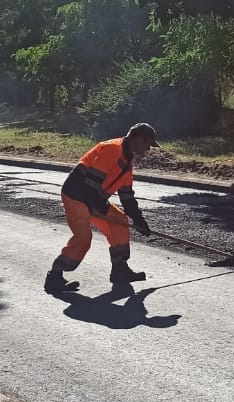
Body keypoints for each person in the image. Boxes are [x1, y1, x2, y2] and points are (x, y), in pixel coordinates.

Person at [46, 122, 158, 295]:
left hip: (93, 198)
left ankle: (119, 269)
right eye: (148, 144)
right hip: (76, 196)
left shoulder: (127, 161)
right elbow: (90, 184)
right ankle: (55, 276)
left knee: (120, 221)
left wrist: (138, 220)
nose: (148, 149)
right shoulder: (111, 149)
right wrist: (96, 208)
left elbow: (127, 196)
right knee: (83, 238)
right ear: (137, 139)